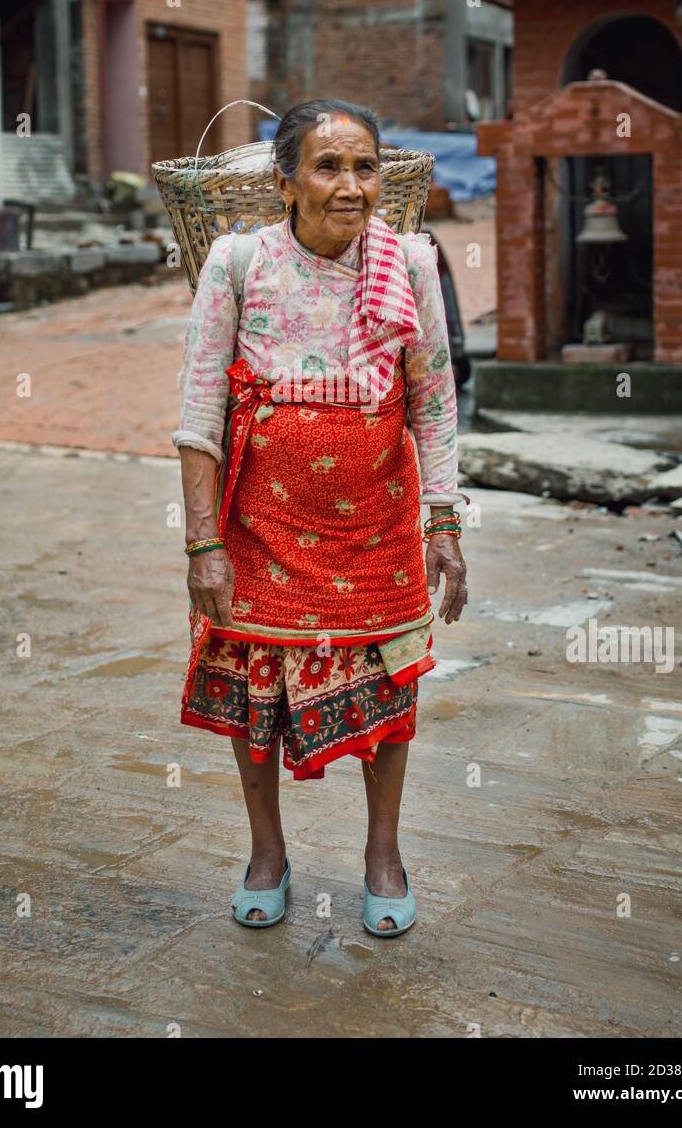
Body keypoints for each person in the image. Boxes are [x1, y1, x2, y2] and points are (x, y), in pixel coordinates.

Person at [173, 98, 468, 935]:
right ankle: (267, 850)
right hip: (260, 525)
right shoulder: (237, 262)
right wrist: (204, 546)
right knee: (253, 679)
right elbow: (200, 413)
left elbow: (433, 401)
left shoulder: (408, 262)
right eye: (328, 166)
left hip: (377, 517)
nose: (351, 185)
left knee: (390, 679)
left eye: (366, 166)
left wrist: (442, 526)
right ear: (285, 182)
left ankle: (383, 855)